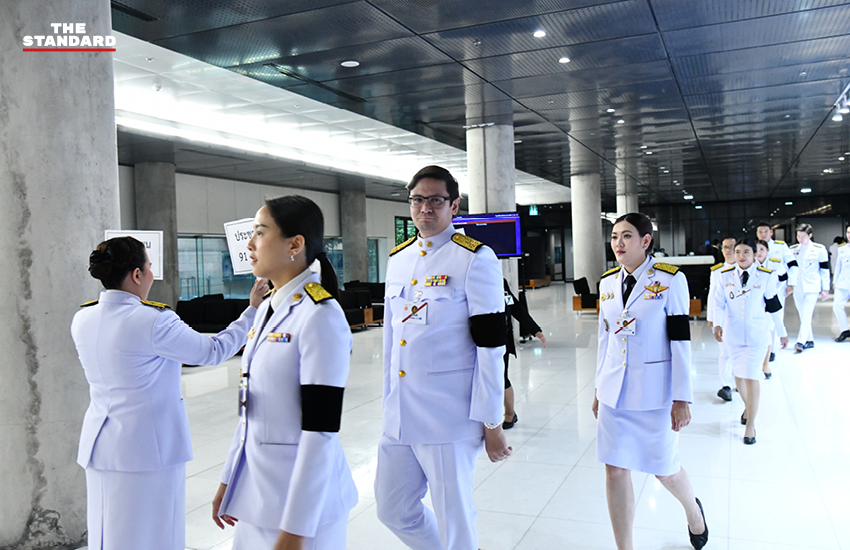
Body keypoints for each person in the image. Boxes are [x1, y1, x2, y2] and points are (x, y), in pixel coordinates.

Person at [71, 236, 266, 550]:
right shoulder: (153, 320)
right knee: (154, 535)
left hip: (100, 446)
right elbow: (212, 351)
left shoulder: (82, 318)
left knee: (108, 532)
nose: (151, 274)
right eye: (148, 268)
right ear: (136, 275)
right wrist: (251, 312)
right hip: (148, 450)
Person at [375, 165, 510, 550]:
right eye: (418, 200)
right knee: (392, 508)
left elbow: (490, 346)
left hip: (448, 416)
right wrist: (388, 401)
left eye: (436, 200)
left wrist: (491, 420)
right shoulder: (398, 259)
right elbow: (390, 340)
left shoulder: (474, 258)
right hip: (400, 414)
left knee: (455, 517)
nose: (425, 209)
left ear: (454, 205)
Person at [212, 196, 358, 550]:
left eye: (260, 233)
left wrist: (296, 528)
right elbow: (251, 412)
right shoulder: (266, 311)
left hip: (304, 508)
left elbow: (320, 430)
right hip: (257, 497)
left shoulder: (320, 315)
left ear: (295, 244)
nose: (250, 244)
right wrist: (228, 480)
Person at [594, 212, 707, 550]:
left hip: (656, 394)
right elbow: (606, 340)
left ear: (646, 241)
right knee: (615, 470)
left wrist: (681, 397)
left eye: (626, 236)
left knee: (664, 470)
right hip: (616, 391)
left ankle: (693, 511)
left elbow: (680, 341)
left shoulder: (671, 280)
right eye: (614, 236)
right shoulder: (607, 283)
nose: (618, 243)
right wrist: (600, 387)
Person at [712, 238, 787, 445]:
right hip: (733, 336)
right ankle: (748, 406)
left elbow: (773, 306)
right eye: (738, 252)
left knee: (752, 376)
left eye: (746, 252)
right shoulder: (724, 276)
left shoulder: (766, 276)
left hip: (757, 336)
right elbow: (718, 303)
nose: (741, 256)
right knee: (738, 375)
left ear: (755, 255)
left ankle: (751, 425)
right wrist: (717, 324)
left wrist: (782, 333)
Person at [503, 278, 546, 429]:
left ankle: (509, 414)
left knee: (501, 378)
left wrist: (535, 330)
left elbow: (515, 307)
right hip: (474, 341)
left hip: (500, 340)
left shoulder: (499, 283)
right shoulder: (467, 281)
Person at [756, 222, 798, 362]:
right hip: (759, 289)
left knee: (776, 318)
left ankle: (772, 350)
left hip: (778, 289)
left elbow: (792, 265)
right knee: (763, 320)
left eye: (766, 231)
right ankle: (763, 347)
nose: (763, 234)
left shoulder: (780, 246)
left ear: (771, 232)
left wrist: (791, 284)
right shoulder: (753, 248)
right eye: (760, 232)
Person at [789, 223, 830, 352]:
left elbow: (824, 270)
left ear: (810, 235)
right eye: (798, 236)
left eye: (803, 236)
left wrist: (826, 288)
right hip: (798, 286)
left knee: (807, 314)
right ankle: (810, 340)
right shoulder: (793, 249)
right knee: (802, 314)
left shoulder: (819, 249)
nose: (800, 239)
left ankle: (801, 342)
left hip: (812, 285)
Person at [706, 237, 736, 402]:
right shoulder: (717, 271)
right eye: (725, 247)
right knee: (724, 352)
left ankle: (740, 380)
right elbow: (712, 295)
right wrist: (712, 318)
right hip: (722, 318)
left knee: (738, 352)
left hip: (740, 319)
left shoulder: (744, 269)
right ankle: (726, 386)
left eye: (732, 247)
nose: (728, 250)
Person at [832, 226, 850, 342]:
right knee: (837, 306)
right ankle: (845, 330)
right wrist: (835, 281)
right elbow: (838, 266)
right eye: (848, 232)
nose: (849, 235)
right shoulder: (842, 248)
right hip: (843, 282)